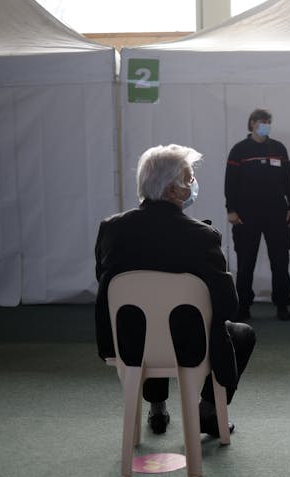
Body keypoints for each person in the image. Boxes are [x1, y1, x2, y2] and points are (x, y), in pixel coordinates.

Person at [95, 144, 256, 437]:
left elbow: (106, 288)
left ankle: (157, 406)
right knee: (240, 333)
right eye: (189, 177)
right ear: (172, 190)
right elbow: (227, 306)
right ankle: (207, 411)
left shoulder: (111, 229)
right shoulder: (202, 237)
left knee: (145, 316)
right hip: (190, 346)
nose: (193, 184)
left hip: (128, 344)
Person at [225, 108, 290, 321]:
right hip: (246, 215)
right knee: (246, 262)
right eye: (260, 121)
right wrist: (231, 209)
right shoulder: (239, 150)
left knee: (280, 261)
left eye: (267, 121)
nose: (264, 124)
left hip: (277, 213)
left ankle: (282, 304)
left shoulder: (278, 149)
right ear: (252, 123)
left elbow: (288, 180)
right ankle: (243, 306)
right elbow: (230, 182)